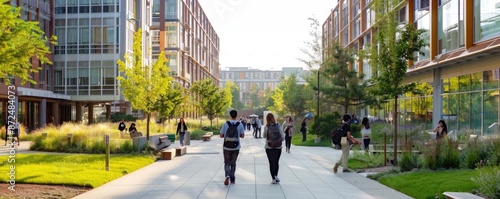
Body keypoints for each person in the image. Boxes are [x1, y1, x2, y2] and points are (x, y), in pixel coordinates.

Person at [219, 110, 245, 185]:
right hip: (236, 147)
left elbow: (221, 135)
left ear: (230, 115)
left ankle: (227, 175)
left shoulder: (225, 124)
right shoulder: (239, 124)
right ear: (236, 116)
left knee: (227, 162)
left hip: (226, 146)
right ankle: (232, 178)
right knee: (233, 163)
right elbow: (242, 136)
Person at [264, 113, 285, 184]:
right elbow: (283, 136)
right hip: (278, 146)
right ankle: (276, 175)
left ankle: (273, 178)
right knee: (276, 162)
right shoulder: (278, 125)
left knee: (271, 162)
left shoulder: (267, 126)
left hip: (269, 146)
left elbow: (264, 135)